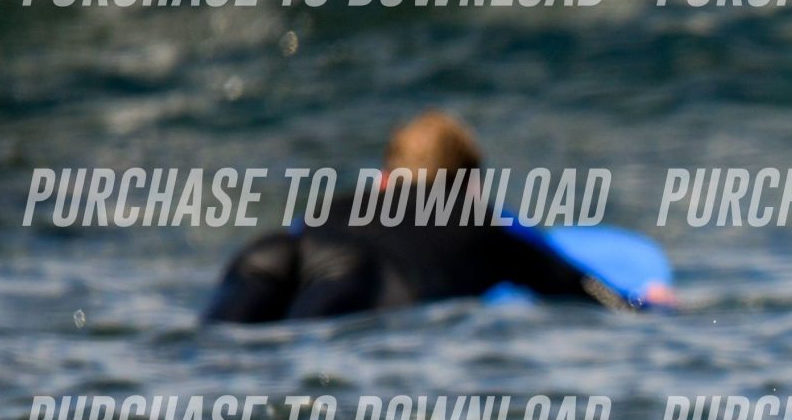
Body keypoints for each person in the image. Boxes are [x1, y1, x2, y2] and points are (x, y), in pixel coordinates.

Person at [203, 111, 619, 321]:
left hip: (270, 251)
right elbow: (580, 287)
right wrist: (638, 306)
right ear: (470, 186)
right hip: (364, 275)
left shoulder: (332, 205)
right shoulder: (485, 226)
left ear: (385, 179)